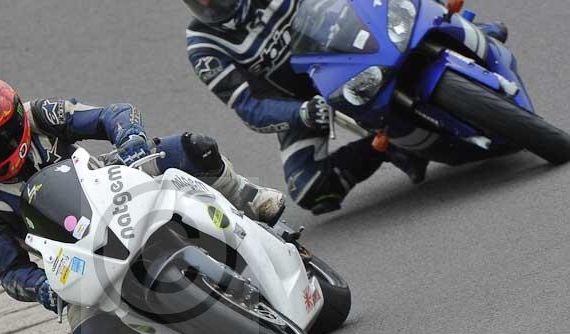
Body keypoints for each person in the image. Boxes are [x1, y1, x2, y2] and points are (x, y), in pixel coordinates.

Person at [0, 74, 285, 334]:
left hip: (115, 190)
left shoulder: (42, 115)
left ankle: (246, 197)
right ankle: (167, 323)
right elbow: (10, 272)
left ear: (18, 119)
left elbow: (113, 114)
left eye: (1, 137)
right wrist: (42, 288)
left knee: (193, 148)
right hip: (77, 259)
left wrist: (131, 139)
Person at [182, 0, 509, 214]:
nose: (209, 3)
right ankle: (391, 146)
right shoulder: (203, 45)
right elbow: (249, 108)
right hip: (307, 101)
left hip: (347, 48)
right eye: (198, 0)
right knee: (310, 190)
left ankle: (459, 29)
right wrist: (301, 113)